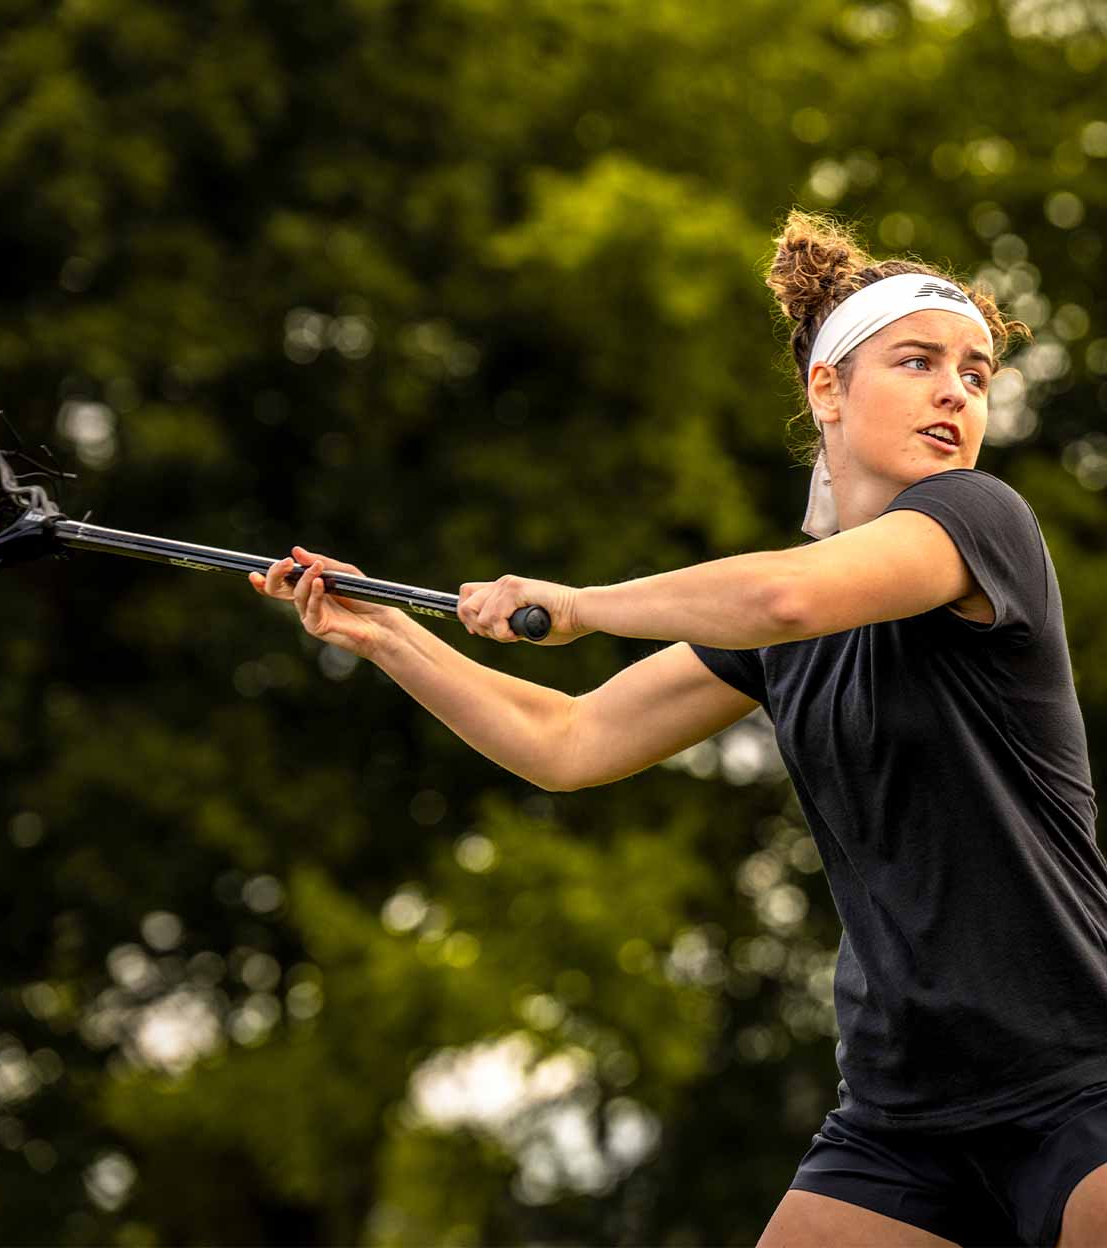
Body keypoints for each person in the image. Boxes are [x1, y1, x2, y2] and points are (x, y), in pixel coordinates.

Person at [250, 210, 1107, 1247]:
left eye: (976, 374)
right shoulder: (777, 624)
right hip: (902, 1115)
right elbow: (568, 740)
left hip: (1079, 1078)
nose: (955, 394)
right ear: (825, 389)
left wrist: (581, 605)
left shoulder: (982, 525)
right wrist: (387, 636)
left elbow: (786, 598)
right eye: (919, 361)